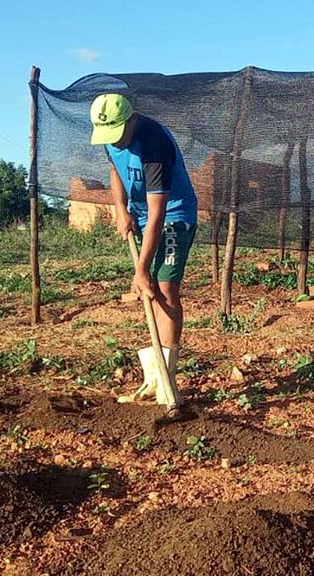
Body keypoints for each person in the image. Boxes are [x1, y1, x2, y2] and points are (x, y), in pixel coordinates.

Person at [89, 93, 198, 404]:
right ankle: (154, 376)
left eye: (119, 134)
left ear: (132, 120)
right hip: (140, 214)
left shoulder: (154, 145)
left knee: (164, 289)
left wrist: (141, 270)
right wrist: (120, 208)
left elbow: (158, 214)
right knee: (151, 291)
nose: (115, 142)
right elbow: (115, 169)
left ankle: (167, 380)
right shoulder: (112, 138)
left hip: (174, 215)